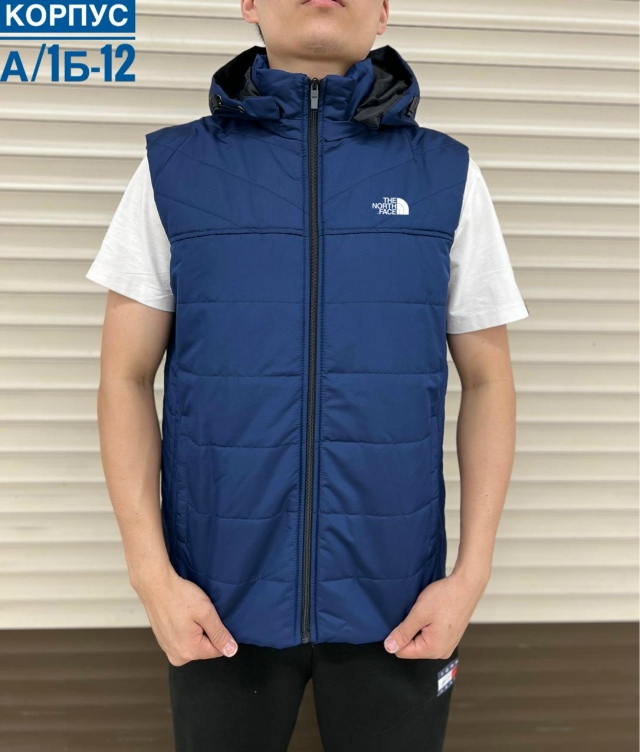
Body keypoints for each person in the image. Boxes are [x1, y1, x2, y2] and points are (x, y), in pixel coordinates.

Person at [85, 1, 529, 750]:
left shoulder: (447, 174)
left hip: (402, 601)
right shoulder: (173, 169)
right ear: (249, 5)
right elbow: (123, 378)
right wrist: (151, 576)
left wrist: (470, 577)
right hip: (216, 600)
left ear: (383, 12)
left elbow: (489, 381)